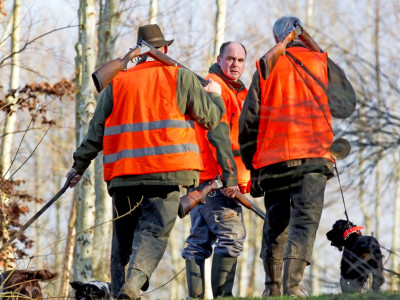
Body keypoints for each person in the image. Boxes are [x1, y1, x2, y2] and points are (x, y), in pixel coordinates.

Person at [66, 24, 226, 299]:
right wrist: (215, 95)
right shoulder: (182, 77)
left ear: (139, 52)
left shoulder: (117, 82)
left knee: (123, 244)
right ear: (164, 49)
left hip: (124, 176)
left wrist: (78, 167)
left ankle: (120, 291)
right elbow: (211, 119)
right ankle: (132, 287)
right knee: (153, 235)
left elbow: (95, 132)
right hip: (167, 174)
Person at [238, 16, 356, 297]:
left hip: (273, 162)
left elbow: (248, 123)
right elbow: (346, 104)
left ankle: (272, 288)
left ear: (277, 38)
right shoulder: (319, 63)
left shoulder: (265, 67)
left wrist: (251, 166)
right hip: (314, 157)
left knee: (275, 223)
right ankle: (293, 288)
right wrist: (323, 58)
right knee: (304, 222)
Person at [181, 41, 250, 298]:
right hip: (217, 177)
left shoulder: (235, 92)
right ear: (219, 59)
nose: (235, 64)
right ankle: (223, 297)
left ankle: (195, 296)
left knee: (199, 241)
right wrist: (229, 176)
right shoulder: (214, 88)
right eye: (230, 58)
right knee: (232, 236)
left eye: (240, 60)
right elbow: (217, 134)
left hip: (203, 177)